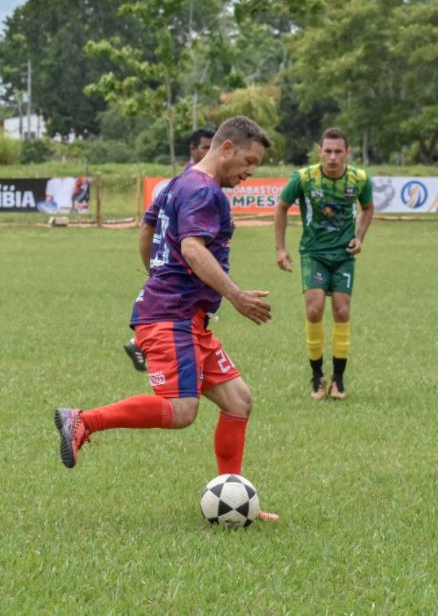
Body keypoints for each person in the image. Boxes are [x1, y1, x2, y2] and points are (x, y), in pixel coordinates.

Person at [55, 115, 279, 521]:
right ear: (226, 148)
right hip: (172, 316)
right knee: (181, 410)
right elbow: (193, 248)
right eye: (248, 160)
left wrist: (157, 277)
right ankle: (83, 420)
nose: (249, 171)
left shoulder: (176, 183)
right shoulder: (204, 191)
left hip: (183, 315)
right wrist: (236, 295)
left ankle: (234, 498)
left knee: (238, 401)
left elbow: (146, 231)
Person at [274, 128, 374, 400]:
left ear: (347, 153)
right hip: (314, 253)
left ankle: (338, 380)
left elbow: (368, 208)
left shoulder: (359, 179)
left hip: (343, 255)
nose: (332, 157)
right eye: (327, 151)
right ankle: (317, 377)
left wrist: (360, 237)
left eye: (337, 151)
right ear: (320, 152)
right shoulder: (305, 178)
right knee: (315, 310)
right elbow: (281, 206)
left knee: (342, 312)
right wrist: (281, 249)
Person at [124, 126, 217, 372]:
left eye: (213, 147)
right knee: (180, 404)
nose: (211, 152)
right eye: (206, 147)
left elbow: (147, 226)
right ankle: (78, 414)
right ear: (193, 150)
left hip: (174, 289)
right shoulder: (198, 185)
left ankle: (141, 341)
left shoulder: (182, 182)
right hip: (180, 288)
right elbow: (149, 228)